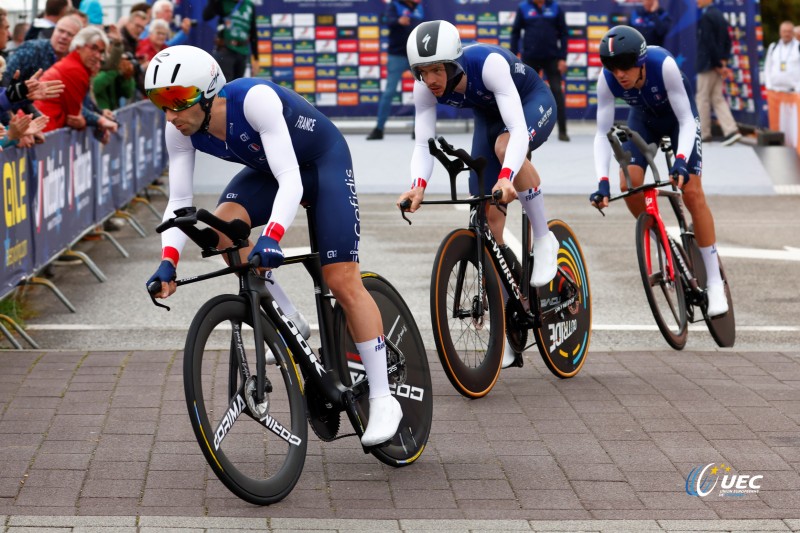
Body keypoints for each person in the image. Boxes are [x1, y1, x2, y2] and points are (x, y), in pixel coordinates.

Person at [143, 45, 402, 447]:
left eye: (178, 101)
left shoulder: (255, 102)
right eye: (161, 102)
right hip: (272, 172)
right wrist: (168, 261)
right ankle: (287, 315)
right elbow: (178, 203)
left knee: (342, 280)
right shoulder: (180, 127)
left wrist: (273, 236)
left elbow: (292, 181)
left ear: (209, 92)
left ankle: (384, 398)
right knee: (222, 232)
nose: (170, 115)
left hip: (321, 166)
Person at [397, 20, 560, 368]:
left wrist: (506, 178)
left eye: (438, 70)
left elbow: (516, 130)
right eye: (422, 72)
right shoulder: (424, 89)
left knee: (504, 148)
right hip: (489, 117)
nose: (431, 80)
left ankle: (545, 238)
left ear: (454, 64)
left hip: (530, 103)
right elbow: (422, 145)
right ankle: (508, 329)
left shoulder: (489, 65)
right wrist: (417, 186)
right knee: (487, 223)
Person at [589, 25, 728, 317]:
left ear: (640, 62)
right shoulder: (608, 80)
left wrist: (679, 160)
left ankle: (714, 282)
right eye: (613, 68)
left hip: (679, 122)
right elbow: (602, 133)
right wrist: (602, 181)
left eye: (625, 67)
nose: (620, 74)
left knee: (691, 192)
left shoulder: (662, 65)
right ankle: (659, 236)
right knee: (628, 183)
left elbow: (687, 120)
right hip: (644, 121)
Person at [34, 26, 118, 139]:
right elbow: (74, 117)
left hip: (40, 128)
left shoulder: (74, 65)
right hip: (42, 130)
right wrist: (99, 121)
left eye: (101, 52)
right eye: (93, 48)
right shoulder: (75, 70)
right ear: (78, 47)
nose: (97, 55)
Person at [510, 0, 570, 142]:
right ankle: (522, 132)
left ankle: (562, 131)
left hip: (552, 59)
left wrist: (562, 58)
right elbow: (515, 33)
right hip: (530, 59)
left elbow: (564, 33)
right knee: (525, 95)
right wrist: (513, 56)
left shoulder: (555, 7)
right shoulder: (523, 7)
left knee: (557, 92)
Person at [366, 0, 424, 141]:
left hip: (415, 55)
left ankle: (420, 130)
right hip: (396, 55)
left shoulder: (419, 7)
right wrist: (398, 20)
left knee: (423, 92)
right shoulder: (394, 5)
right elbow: (386, 19)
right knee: (389, 93)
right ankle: (379, 129)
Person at [696, 0, 741, 146]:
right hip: (716, 63)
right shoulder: (719, 15)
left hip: (709, 65)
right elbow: (727, 41)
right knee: (717, 98)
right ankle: (731, 131)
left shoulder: (707, 16)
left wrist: (717, 64)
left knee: (702, 98)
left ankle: (704, 133)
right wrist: (723, 62)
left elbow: (709, 43)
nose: (697, 1)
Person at [202, 0, 259, 81]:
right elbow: (206, 16)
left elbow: (253, 32)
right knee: (225, 86)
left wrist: (256, 58)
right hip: (225, 51)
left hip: (242, 53)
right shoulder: (223, 2)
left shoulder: (249, 5)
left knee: (237, 87)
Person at [764, 21, 800, 93]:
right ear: (780, 32)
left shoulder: (798, 47)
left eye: (789, 31)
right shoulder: (773, 47)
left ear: (793, 33)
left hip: (794, 92)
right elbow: (767, 67)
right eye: (784, 31)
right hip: (775, 91)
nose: (786, 34)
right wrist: (769, 85)